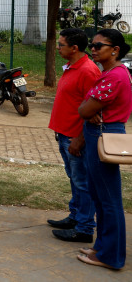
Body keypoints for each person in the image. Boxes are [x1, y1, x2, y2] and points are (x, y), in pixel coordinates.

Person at [76, 28, 132, 270]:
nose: (93, 49)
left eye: (99, 46)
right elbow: (87, 108)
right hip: (98, 133)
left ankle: (111, 256)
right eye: (92, 45)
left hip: (104, 135)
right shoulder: (109, 73)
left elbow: (84, 110)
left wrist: (88, 111)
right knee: (99, 195)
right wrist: (88, 110)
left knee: (109, 200)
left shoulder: (115, 76)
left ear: (115, 50)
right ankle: (102, 246)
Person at [46, 28, 100, 242]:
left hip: (76, 137)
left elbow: (94, 111)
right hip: (65, 133)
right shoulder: (73, 67)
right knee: (75, 179)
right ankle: (76, 216)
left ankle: (85, 228)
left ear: (74, 48)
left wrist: (79, 139)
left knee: (83, 183)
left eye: (61, 44)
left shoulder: (88, 71)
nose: (58, 47)